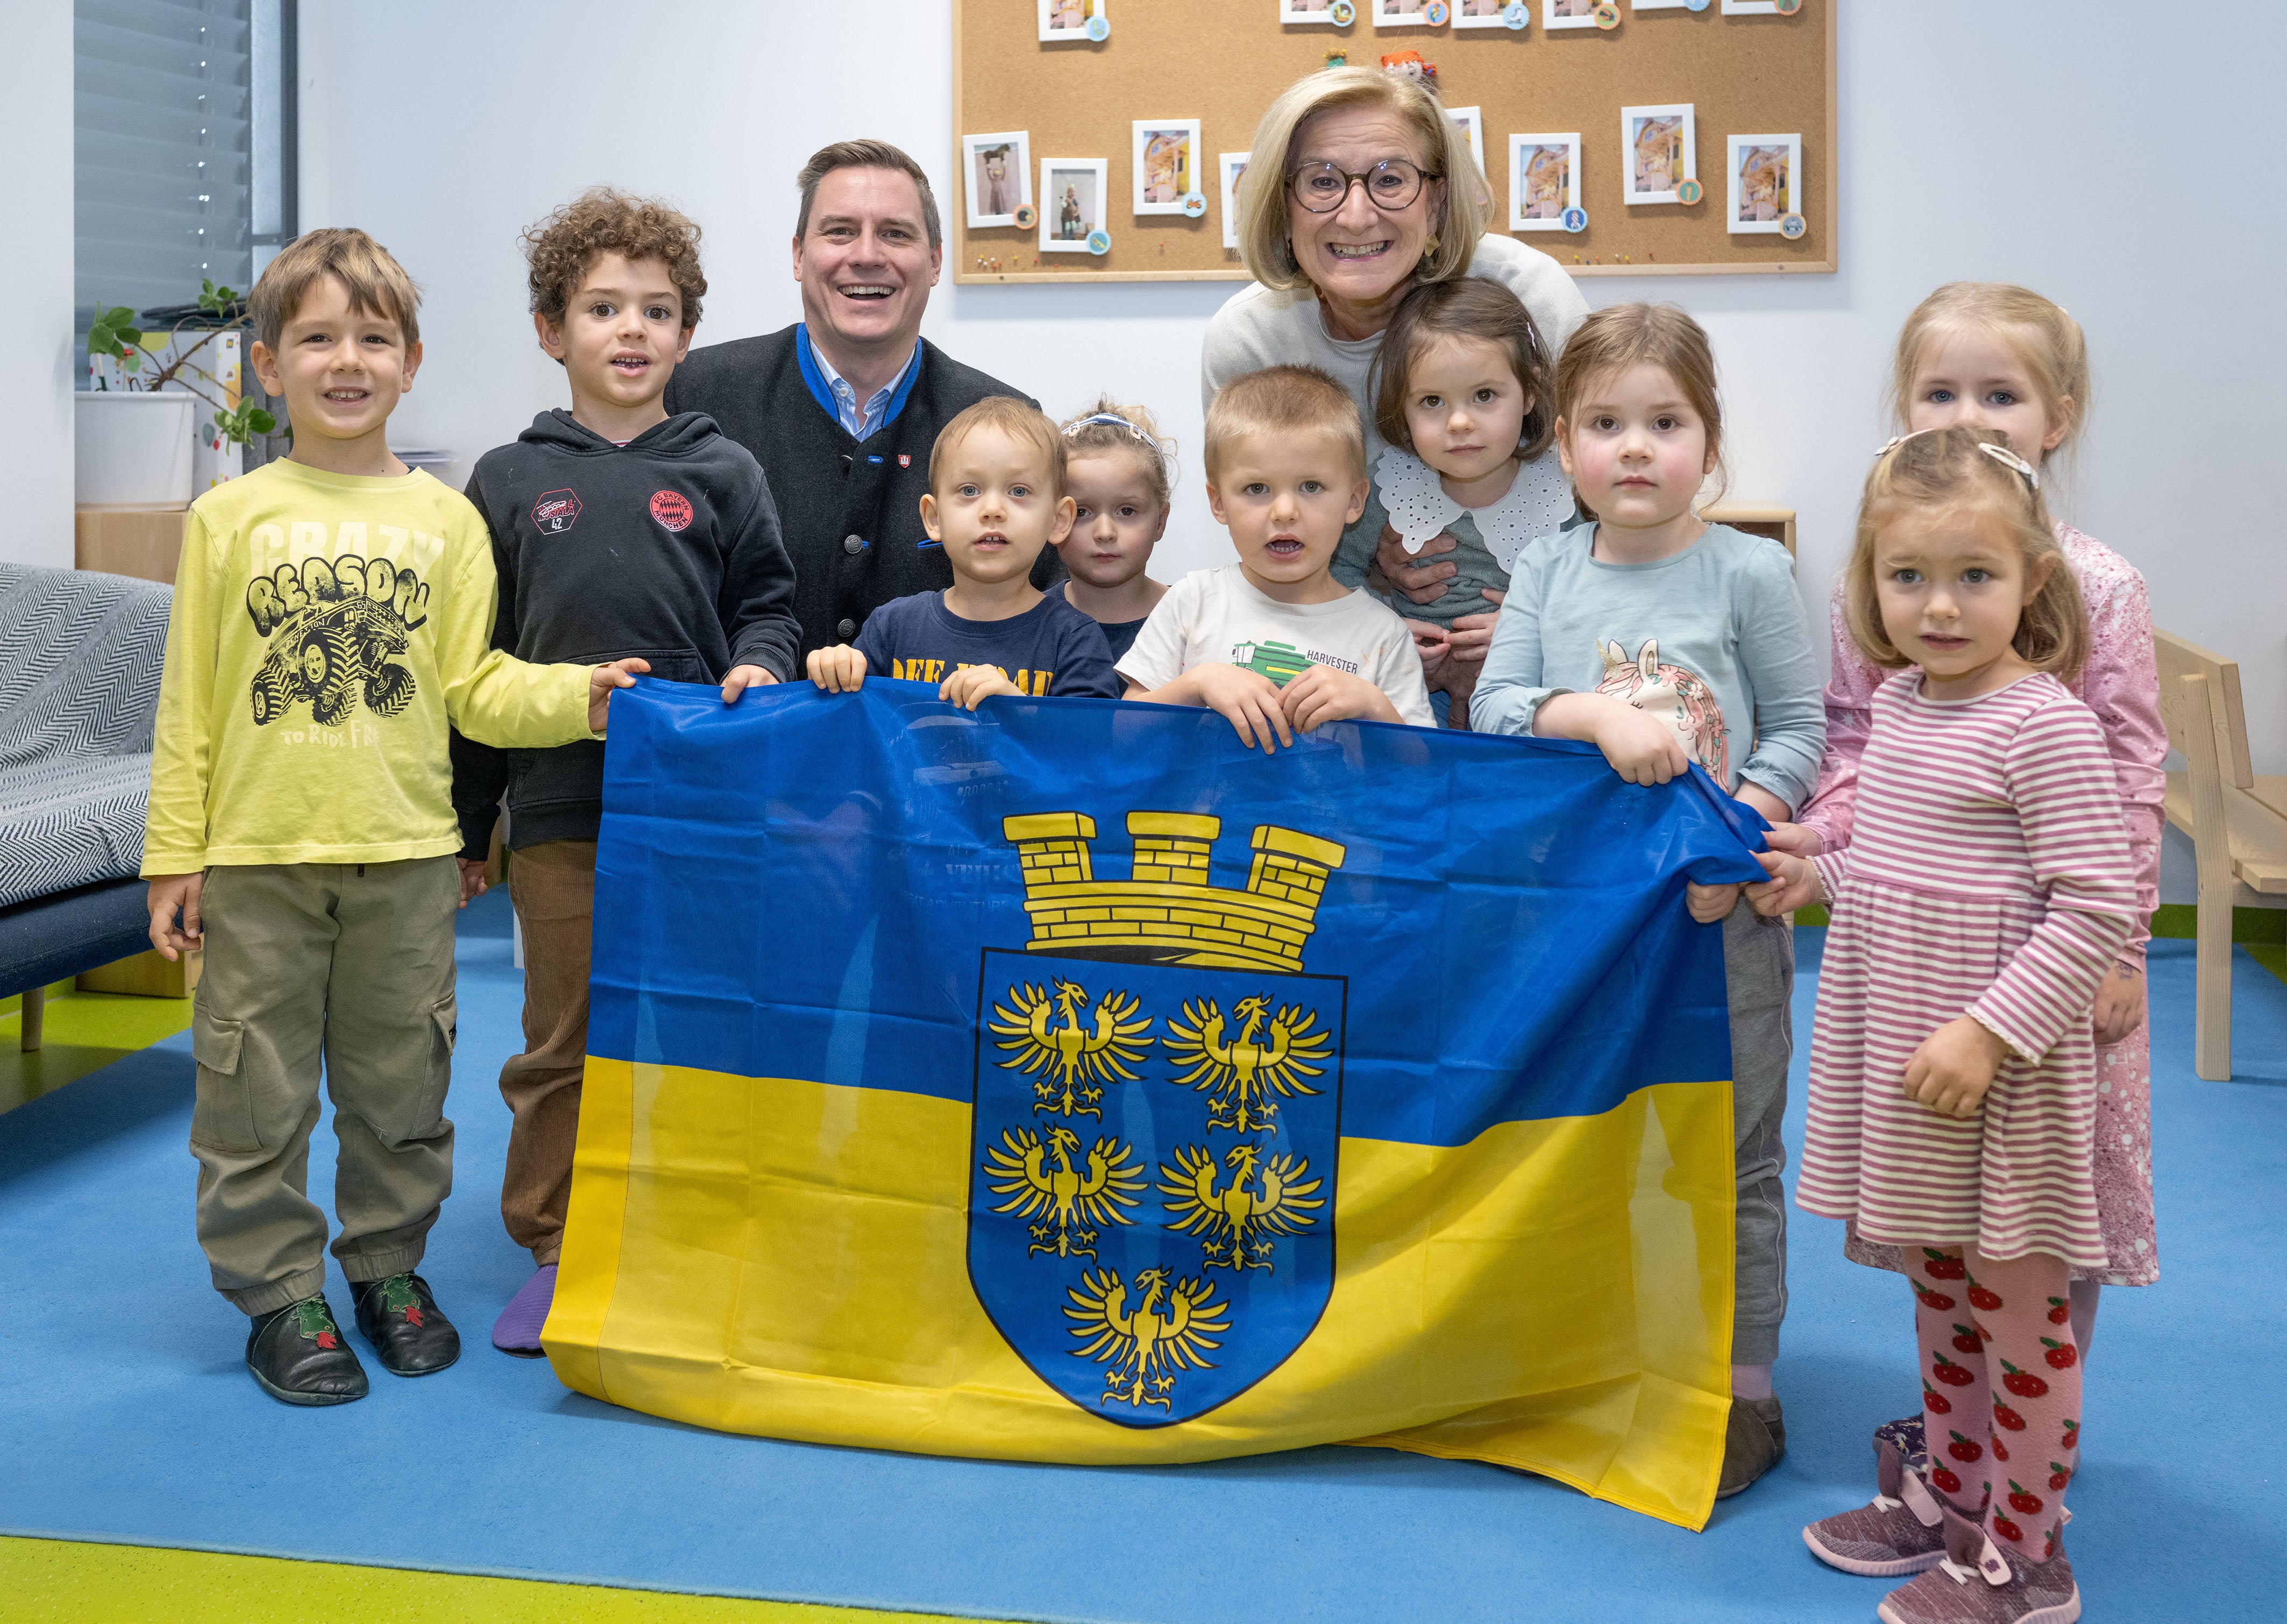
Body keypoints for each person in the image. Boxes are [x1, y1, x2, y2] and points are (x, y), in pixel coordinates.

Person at [139, 228, 644, 1407]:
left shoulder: (446, 521)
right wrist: (174, 854)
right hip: (258, 859)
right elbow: (188, 702)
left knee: (401, 1089)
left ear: (410, 363)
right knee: (253, 1092)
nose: (347, 361)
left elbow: (474, 687)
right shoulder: (228, 517)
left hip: (408, 858)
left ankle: (386, 1268)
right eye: (317, 338)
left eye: (373, 338)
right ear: (269, 366)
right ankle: (280, 1293)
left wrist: (576, 697)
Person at [1773, 281, 2162, 1506]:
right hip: (1921, 977)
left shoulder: (2092, 590)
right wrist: (1817, 858)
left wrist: (2119, 948)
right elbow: (1870, 767)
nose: (1970, 418)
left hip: (2040, 961)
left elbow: (2126, 778)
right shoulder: (1901, 632)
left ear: (2059, 414)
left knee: (2037, 1228)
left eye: (2000, 394)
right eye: (1940, 393)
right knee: (1944, 1238)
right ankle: (1964, 1452)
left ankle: (2023, 1475)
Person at [1471, 304, 1823, 1495]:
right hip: (1584, 928)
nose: (1634, 448)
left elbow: (1796, 734)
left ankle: (1743, 1388)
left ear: (1707, 441)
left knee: (1729, 1159)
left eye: (1664, 423)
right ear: (1562, 444)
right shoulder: (1544, 568)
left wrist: (1733, 846)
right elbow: (1496, 712)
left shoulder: (1751, 572)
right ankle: (1604, 1354)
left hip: (1718, 927)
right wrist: (1591, 715)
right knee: (1590, 1145)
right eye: (1606, 424)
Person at [448, 189, 801, 1357]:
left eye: (656, 309)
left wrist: (759, 665)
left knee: (696, 1024)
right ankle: (558, 1246)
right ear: (552, 330)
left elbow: (769, 606)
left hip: (702, 807)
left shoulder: (725, 470)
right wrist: (469, 823)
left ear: (687, 335)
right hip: (558, 812)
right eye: (602, 308)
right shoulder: (506, 478)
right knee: (564, 1035)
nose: (631, 329)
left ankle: (685, 1228)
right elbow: (477, 663)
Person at [1202, 66, 1588, 718]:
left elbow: (1620, 509)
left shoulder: (1529, 299)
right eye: (1322, 181)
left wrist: (1541, 625)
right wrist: (1369, 614)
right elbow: (1268, 544)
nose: (1356, 215)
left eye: (1390, 179)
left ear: (1436, 200)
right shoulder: (1251, 342)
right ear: (1281, 205)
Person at [664, 139, 1048, 659]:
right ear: (799, 256)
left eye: (896, 234)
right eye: (840, 231)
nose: (867, 256)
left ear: (935, 261)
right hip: (739, 713)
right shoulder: (690, 397)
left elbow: (1048, 623)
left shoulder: (1006, 424)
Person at [1120, 364, 1436, 743]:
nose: (1284, 512)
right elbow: (1123, 734)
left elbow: (1423, 767)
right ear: (1218, 502)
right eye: (1257, 489)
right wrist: (1197, 684)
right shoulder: (1191, 602)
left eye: (1311, 487)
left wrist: (1373, 706)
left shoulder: (1384, 635)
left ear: (1355, 501)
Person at [1338, 277, 1573, 728]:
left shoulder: (1561, 487)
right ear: (1401, 406)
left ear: (1529, 391)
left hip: (1532, 707)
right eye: (1432, 401)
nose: (1460, 422)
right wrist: (1384, 629)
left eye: (1484, 396)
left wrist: (1528, 627)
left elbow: (1599, 590)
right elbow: (1335, 574)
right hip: (1408, 702)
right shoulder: (1389, 485)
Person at [806, 396, 1118, 707]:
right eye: (970, 490)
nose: (992, 510)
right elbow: (850, 724)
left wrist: (1018, 710)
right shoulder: (891, 629)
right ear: (934, 518)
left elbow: (1092, 738)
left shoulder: (1075, 641)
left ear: (1058, 520)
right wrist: (835, 674)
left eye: (1019, 491)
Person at [1056, 398, 1174, 662]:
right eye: (1082, 512)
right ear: (1054, 521)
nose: (1105, 532)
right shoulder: (1026, 622)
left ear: (1160, 521)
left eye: (1127, 511)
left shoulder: (1195, 620)